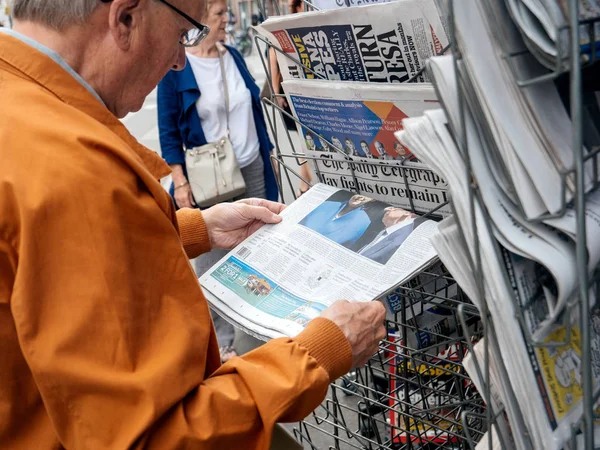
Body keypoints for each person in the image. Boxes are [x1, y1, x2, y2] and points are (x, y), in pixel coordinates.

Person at [0, 1, 387, 449]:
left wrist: (192, 228)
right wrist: (318, 353)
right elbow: (152, 437)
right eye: (183, 33)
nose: (179, 59)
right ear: (124, 19)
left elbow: (51, 264)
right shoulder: (73, 169)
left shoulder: (21, 106)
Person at [158, 0, 277, 362]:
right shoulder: (178, 66)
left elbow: (255, 106)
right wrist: (179, 182)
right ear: (201, 17)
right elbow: (167, 132)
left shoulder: (232, 55)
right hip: (210, 177)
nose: (228, 20)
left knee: (261, 246)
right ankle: (222, 342)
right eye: (221, 14)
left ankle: (263, 325)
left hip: (251, 164)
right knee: (212, 261)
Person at [267, 0, 312, 196]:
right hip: (290, 92)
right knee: (305, 139)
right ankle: (305, 183)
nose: (306, 7)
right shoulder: (286, 24)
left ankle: (305, 183)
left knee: (308, 139)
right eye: (302, 3)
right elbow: (273, 60)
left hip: (310, 91)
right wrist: (276, 93)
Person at [300, 194, 374, 248]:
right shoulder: (325, 204)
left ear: (373, 199)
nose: (360, 197)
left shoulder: (364, 222)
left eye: (367, 195)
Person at [358, 207, 425, 264]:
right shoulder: (382, 232)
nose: (387, 208)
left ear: (407, 212)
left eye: (394, 208)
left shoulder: (404, 238)